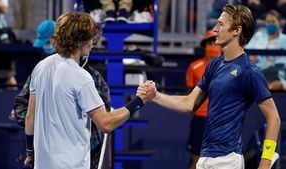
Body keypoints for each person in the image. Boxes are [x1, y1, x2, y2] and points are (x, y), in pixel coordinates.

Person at [138, 4, 280, 169]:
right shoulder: (214, 65)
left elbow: (273, 117)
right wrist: (155, 95)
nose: (214, 29)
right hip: (206, 158)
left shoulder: (249, 71)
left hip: (227, 160)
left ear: (237, 30)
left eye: (220, 24)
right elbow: (189, 103)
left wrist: (265, 161)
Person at [24, 11, 155, 169]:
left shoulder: (40, 67)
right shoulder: (81, 78)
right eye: (90, 37)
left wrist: (30, 153)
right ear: (79, 41)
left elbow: (30, 117)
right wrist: (140, 100)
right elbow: (106, 124)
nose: (93, 42)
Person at [11, 19, 111, 169]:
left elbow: (103, 117)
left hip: (80, 154)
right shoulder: (42, 69)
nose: (49, 45)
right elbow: (25, 112)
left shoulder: (89, 77)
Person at [185, 30, 221, 169]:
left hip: (220, 120)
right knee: (196, 160)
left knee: (219, 161)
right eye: (209, 43)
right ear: (204, 46)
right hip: (200, 120)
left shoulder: (229, 66)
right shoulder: (194, 67)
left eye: (215, 43)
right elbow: (189, 96)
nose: (212, 46)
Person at [246, 10, 286, 90]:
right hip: (258, 72)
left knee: (276, 85)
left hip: (277, 74)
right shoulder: (258, 36)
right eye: (268, 22)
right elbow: (246, 52)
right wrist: (250, 58)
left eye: (273, 21)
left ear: (279, 22)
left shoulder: (284, 39)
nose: (270, 24)